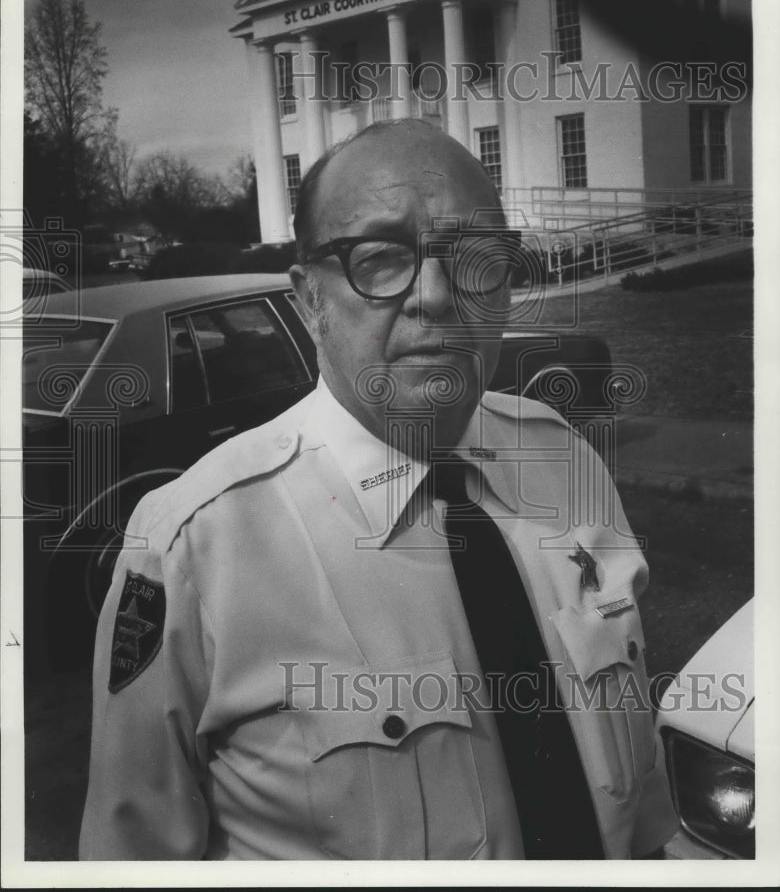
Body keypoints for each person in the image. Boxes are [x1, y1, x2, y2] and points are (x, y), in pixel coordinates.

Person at [80, 119, 678, 861]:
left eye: (472, 257)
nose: (434, 295)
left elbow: (641, 805)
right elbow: (129, 855)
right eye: (380, 256)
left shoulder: (567, 463)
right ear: (307, 300)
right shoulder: (192, 547)